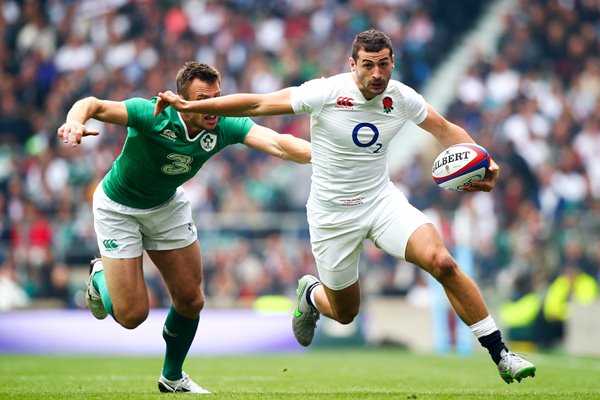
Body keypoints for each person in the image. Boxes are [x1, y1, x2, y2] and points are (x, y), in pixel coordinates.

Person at [154, 29, 537, 384]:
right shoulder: (325, 92)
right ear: (352, 64)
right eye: (367, 65)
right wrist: (193, 104)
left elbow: (444, 129)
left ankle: (501, 354)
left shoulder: (402, 98)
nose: (376, 73)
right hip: (331, 217)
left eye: (383, 64)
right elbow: (258, 102)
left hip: (382, 202)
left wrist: (481, 159)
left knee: (442, 262)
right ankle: (312, 296)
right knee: (345, 311)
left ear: (392, 63)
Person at [57, 61, 311, 394]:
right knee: (132, 316)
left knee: (191, 300)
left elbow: (277, 143)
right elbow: (94, 104)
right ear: (182, 100)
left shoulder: (223, 122)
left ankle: (172, 377)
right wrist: (75, 122)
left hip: (166, 206)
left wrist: (323, 155)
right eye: (202, 99)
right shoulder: (152, 113)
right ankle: (98, 277)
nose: (212, 106)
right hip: (118, 207)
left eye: (216, 97)